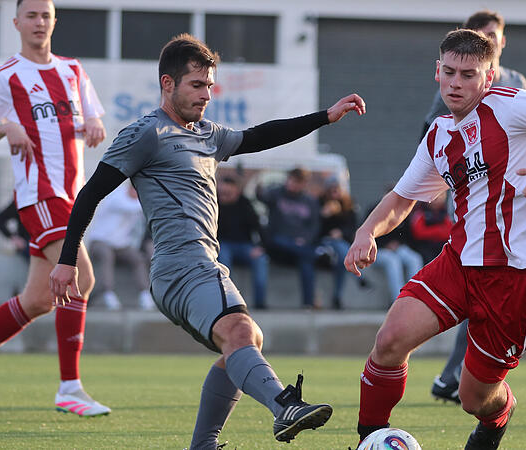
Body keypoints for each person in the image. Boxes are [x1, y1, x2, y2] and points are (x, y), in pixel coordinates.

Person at [48, 34, 365, 447]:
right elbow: (89, 195)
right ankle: (283, 406)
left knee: (245, 340)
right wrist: (67, 259)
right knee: (239, 333)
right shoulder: (147, 133)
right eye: (197, 85)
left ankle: (203, 444)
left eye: (210, 86)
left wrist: (325, 116)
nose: (206, 95)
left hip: (204, 265)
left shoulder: (208, 134)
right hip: (179, 265)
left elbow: (257, 137)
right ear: (167, 84)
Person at [344, 29, 526, 448]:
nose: (456, 83)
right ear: (437, 72)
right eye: (449, 72)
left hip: (519, 276)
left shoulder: (512, 107)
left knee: (474, 398)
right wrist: (365, 231)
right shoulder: (438, 135)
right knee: (390, 340)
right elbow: (402, 197)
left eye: (468, 74)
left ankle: (497, 418)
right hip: (459, 262)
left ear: (488, 78)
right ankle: (368, 440)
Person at [0, 0, 110, 416]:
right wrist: (6, 126)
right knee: (80, 276)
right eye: (31, 15)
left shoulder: (73, 71)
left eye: (46, 15)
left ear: (55, 21)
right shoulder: (5, 76)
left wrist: (95, 124)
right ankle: (69, 389)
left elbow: (92, 122)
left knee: (38, 300)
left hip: (71, 198)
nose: (39, 22)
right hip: (39, 197)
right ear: (16, 23)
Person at [427, 9, 526, 404]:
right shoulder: (455, 81)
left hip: (517, 210)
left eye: (495, 34)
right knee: (474, 291)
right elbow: (434, 134)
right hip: (472, 206)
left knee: (490, 299)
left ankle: (461, 377)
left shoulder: (517, 85)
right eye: (482, 32)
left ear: (502, 42)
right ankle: (458, 375)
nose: (457, 82)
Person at [422, 10, 526, 136]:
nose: (486, 41)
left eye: (491, 35)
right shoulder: (454, 90)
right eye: (479, 36)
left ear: (503, 41)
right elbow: (429, 133)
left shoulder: (517, 81)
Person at [258, 168, 322, 309]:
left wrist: (304, 239)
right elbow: (261, 197)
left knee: (306, 261)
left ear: (303, 184)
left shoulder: (310, 201)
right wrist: (259, 186)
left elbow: (314, 227)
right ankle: (317, 254)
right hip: (278, 243)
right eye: (291, 180)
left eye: (297, 182)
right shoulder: (277, 194)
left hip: (300, 246)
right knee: (308, 254)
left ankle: (308, 303)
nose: (293, 184)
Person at [86, 182, 154, 311]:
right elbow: (132, 207)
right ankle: (107, 293)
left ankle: (145, 294)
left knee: (138, 259)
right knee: (106, 255)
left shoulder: (136, 203)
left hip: (121, 245)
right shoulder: (116, 197)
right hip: (100, 241)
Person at [216, 174, 269, 310]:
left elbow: (258, 226)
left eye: (228, 193)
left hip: (244, 246)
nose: (224, 196)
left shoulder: (245, 204)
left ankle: (260, 303)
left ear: (237, 192)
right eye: (222, 193)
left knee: (261, 259)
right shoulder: (213, 203)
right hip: (221, 245)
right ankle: (228, 302)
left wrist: (260, 247)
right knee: (224, 260)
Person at [318, 177, 361, 309]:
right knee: (342, 251)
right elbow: (316, 229)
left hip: (342, 243)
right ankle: (360, 278)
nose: (334, 194)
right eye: (331, 191)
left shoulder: (349, 206)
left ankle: (337, 297)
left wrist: (341, 233)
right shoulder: (320, 203)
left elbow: (353, 228)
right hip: (325, 242)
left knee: (341, 259)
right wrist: (323, 216)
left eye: (336, 190)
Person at [409, 191, 452, 262]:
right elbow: (418, 233)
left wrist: (431, 231)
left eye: (440, 196)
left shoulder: (445, 212)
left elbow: (449, 232)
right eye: (434, 196)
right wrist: (439, 230)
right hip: (424, 247)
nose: (436, 199)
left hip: (441, 246)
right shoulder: (421, 211)